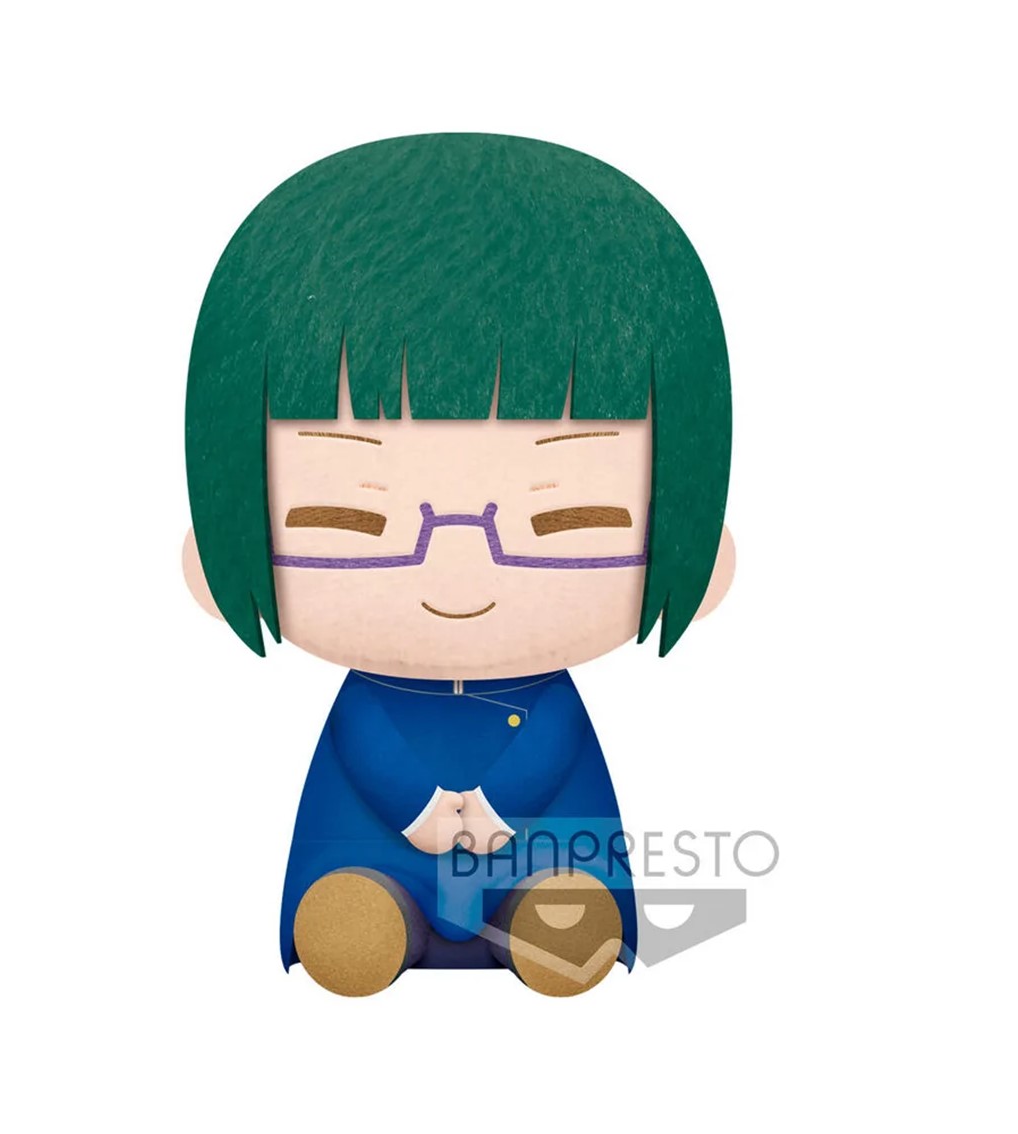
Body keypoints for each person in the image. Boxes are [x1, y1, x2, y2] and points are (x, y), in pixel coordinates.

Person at [182, 133, 734, 996]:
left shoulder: (543, 698)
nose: (459, 570)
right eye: (352, 518)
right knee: (355, 890)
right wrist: (424, 808)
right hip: (377, 840)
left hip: (533, 837)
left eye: (564, 518)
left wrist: (490, 809)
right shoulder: (374, 697)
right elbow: (366, 745)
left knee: (559, 879)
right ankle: (364, 913)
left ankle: (552, 914)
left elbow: (549, 745)